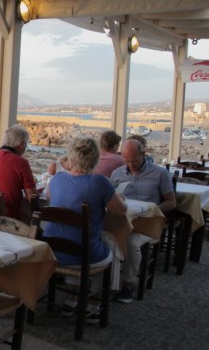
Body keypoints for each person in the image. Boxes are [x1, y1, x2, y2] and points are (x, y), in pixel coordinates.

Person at [44, 136, 127, 319]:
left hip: (54, 252)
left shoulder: (56, 179)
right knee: (110, 245)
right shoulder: (99, 182)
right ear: (95, 159)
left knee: (79, 239)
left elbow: (50, 198)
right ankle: (95, 304)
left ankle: (70, 300)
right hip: (82, 256)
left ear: (70, 158)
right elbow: (120, 212)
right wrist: (120, 199)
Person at [110, 138, 176, 303]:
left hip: (148, 222)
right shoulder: (117, 173)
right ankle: (106, 282)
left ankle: (128, 284)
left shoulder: (160, 173)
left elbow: (172, 202)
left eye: (135, 160)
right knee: (104, 236)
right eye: (127, 160)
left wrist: (151, 210)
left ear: (143, 154)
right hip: (124, 220)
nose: (131, 164)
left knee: (131, 242)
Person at [0, 124, 36, 221]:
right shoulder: (21, 163)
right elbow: (32, 197)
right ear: (22, 144)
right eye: (26, 146)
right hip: (7, 221)